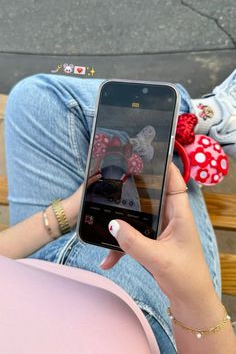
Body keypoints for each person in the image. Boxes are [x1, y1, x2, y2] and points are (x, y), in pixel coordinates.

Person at [3, 71, 236, 353]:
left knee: (35, 97)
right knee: (162, 162)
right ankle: (200, 122)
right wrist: (196, 302)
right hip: (136, 310)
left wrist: (70, 209)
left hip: (35, 264)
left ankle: (193, 120)